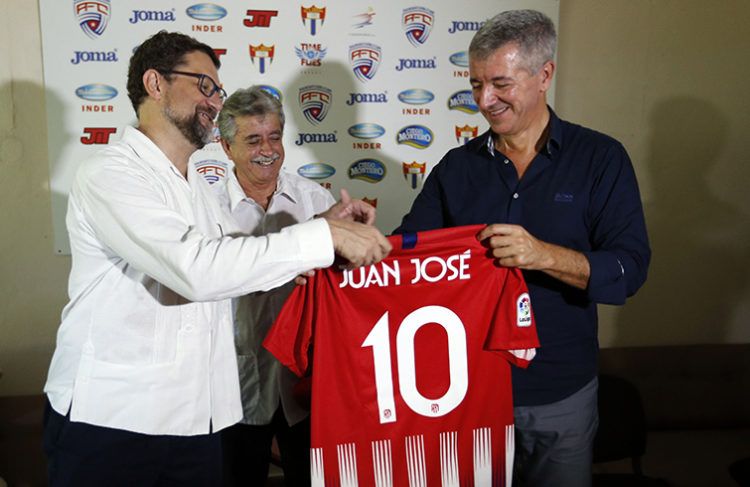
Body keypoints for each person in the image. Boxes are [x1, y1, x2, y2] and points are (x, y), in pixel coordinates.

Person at [42, 31, 391, 487]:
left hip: (198, 421)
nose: (214, 100)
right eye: (204, 85)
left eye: (217, 89)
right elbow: (198, 270)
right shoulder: (110, 172)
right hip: (115, 421)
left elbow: (241, 265)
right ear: (155, 83)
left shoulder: (199, 191)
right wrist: (324, 235)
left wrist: (327, 226)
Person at [395, 10, 651, 487]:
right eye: (475, 84)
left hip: (560, 395)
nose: (484, 100)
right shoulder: (456, 168)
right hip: (466, 396)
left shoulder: (602, 159)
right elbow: (407, 257)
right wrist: (350, 244)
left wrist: (543, 255)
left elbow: (630, 268)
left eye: (500, 84)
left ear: (544, 75)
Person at [212, 86, 334, 486]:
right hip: (233, 385)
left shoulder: (316, 200)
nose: (267, 150)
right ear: (226, 148)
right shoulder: (205, 207)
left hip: (305, 383)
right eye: (253, 140)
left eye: (274, 137)